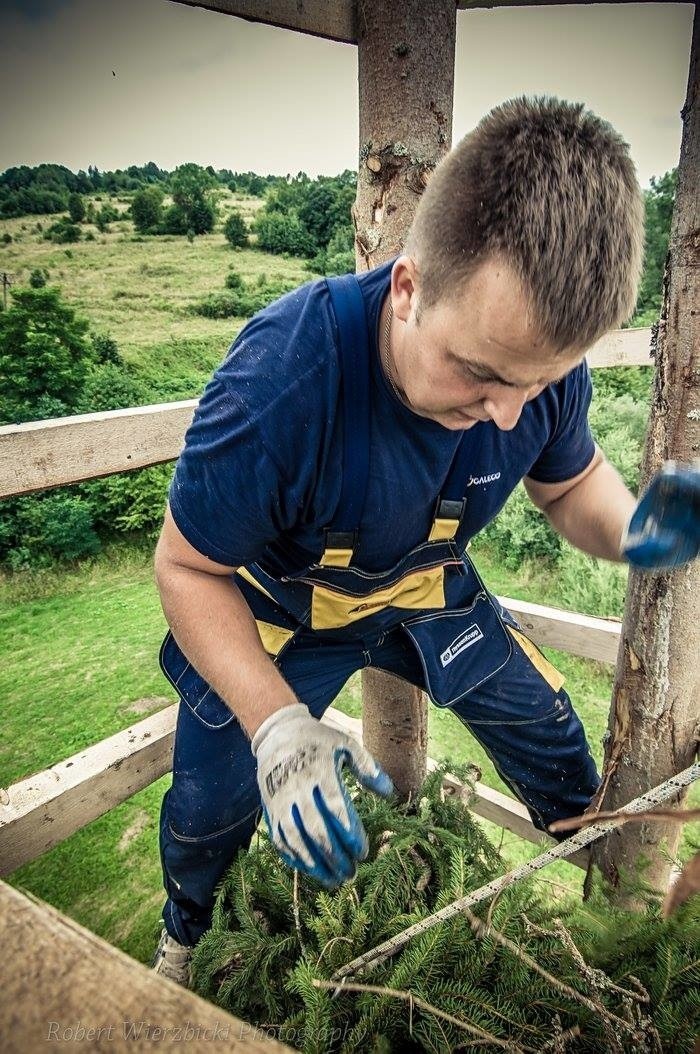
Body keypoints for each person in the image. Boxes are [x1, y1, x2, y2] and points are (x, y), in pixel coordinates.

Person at [150, 97, 700, 987]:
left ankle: (620, 934)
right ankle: (185, 940)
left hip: (425, 585)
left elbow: (567, 486)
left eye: (540, 381)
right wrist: (279, 726)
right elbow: (185, 567)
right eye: (480, 373)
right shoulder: (282, 382)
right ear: (406, 288)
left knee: (555, 739)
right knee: (210, 801)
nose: (507, 413)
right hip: (283, 606)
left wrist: (634, 531)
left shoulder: (532, 366)